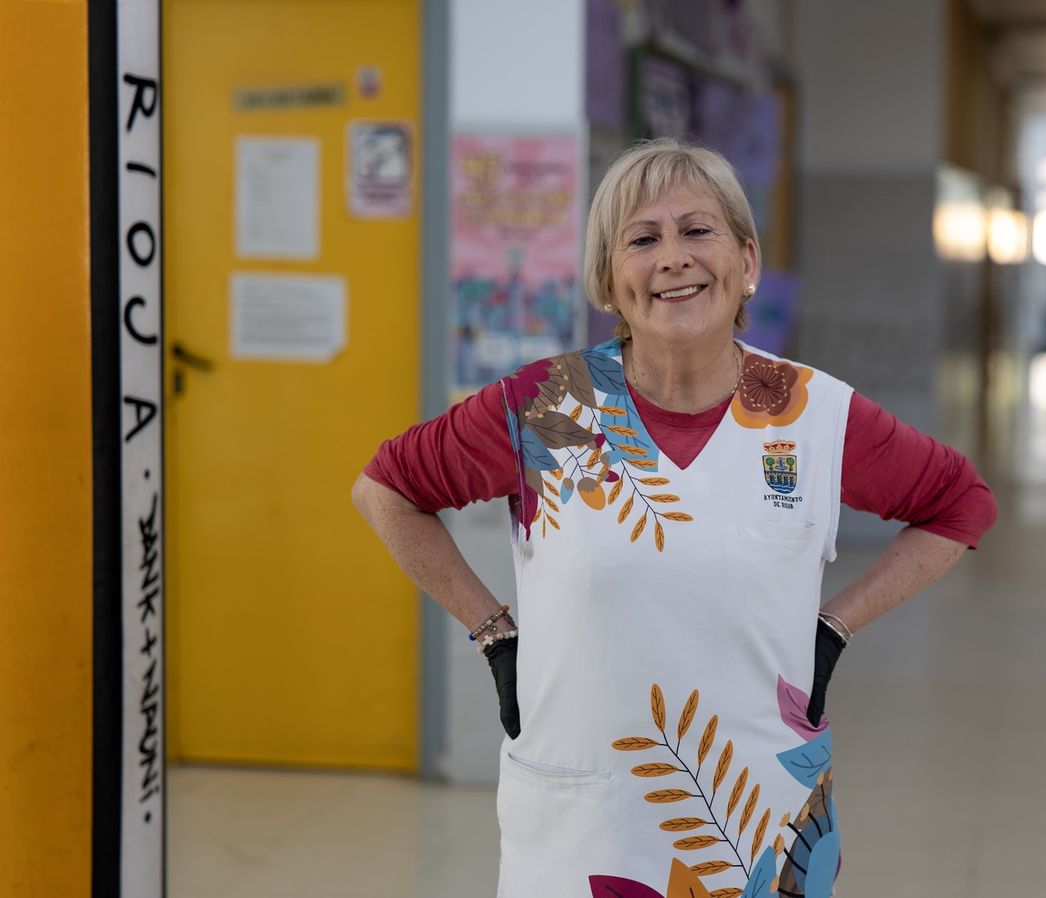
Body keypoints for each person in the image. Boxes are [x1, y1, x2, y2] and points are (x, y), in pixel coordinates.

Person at [352, 138, 996, 898]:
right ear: (608, 280)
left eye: (697, 230)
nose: (673, 258)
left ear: (746, 261)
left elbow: (961, 504)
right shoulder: (548, 408)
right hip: (582, 818)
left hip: (760, 819)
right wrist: (494, 633)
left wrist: (835, 627)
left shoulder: (815, 414)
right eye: (642, 239)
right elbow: (386, 489)